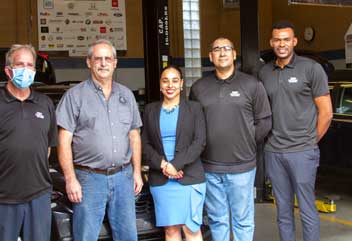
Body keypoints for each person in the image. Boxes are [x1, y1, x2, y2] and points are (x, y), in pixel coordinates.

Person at [0, 44, 58, 241]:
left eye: (30, 65)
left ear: (34, 70)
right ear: (8, 70)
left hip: (38, 197)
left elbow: (47, 148)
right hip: (0, 200)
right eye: (20, 64)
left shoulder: (45, 104)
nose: (25, 69)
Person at [56, 39, 143, 241]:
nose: (103, 63)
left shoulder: (127, 95)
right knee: (86, 236)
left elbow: (134, 136)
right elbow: (64, 141)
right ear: (89, 62)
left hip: (123, 177)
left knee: (128, 236)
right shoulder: (74, 96)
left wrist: (137, 172)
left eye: (107, 58)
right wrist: (70, 179)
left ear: (115, 63)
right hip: (88, 179)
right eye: (98, 59)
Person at [190, 37, 272, 241]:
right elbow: (193, 123)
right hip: (210, 168)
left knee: (242, 220)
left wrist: (246, 140)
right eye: (217, 49)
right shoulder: (199, 87)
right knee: (217, 220)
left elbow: (264, 121)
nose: (222, 52)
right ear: (211, 56)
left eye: (227, 48)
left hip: (242, 167)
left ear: (234, 54)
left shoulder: (251, 85)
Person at [258, 21, 333, 241]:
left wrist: (309, 141)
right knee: (282, 211)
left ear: (294, 41)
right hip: (274, 152)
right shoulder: (264, 72)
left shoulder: (311, 68)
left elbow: (326, 112)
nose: (282, 44)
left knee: (307, 209)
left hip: (302, 152)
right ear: (272, 42)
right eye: (277, 40)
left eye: (286, 39)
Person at [142, 66, 206, 241]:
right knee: (170, 230)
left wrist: (175, 165)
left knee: (191, 229)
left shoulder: (194, 108)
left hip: (189, 177)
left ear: (182, 84)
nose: (170, 85)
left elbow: (199, 142)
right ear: (160, 86)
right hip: (162, 179)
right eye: (165, 81)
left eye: (175, 80)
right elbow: (145, 144)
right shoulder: (150, 110)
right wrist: (164, 165)